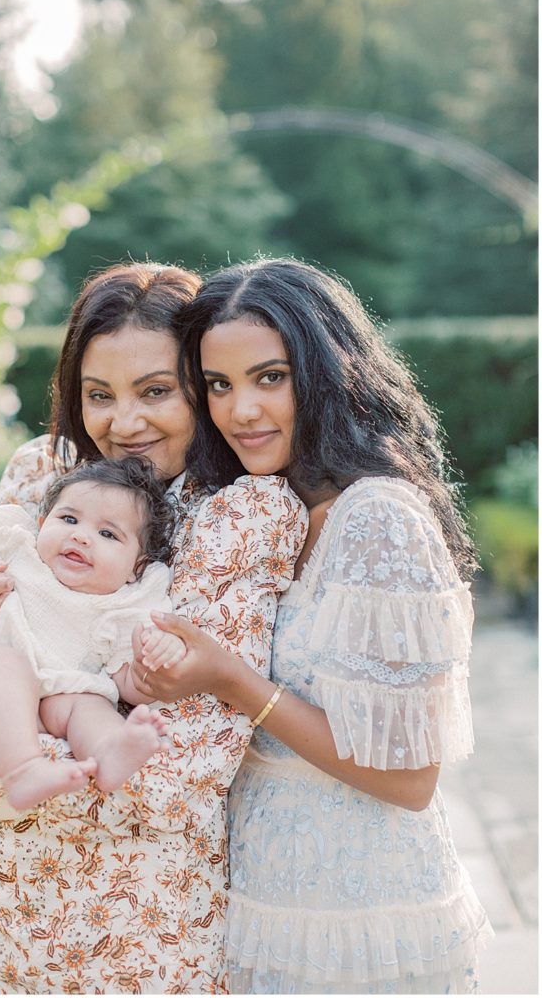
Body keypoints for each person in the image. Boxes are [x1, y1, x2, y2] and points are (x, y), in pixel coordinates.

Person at [0, 261, 308, 994]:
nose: (124, 422)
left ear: (199, 390)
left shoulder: (239, 521)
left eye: (155, 392)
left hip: (138, 929)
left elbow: (180, 780)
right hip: (0, 916)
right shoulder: (43, 479)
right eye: (98, 395)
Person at [131, 258, 494, 994]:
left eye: (271, 377)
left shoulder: (377, 518)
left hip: (362, 925)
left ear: (327, 374)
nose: (241, 411)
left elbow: (409, 779)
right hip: (256, 907)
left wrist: (231, 681)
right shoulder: (252, 509)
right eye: (219, 385)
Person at [0, 458, 187, 808]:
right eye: (69, 519)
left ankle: (108, 753)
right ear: (41, 524)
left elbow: (128, 684)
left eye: (107, 533)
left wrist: (153, 655)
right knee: (8, 663)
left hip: (33, 716)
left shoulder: (121, 609)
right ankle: (23, 771)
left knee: (89, 702)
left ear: (136, 567)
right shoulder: (19, 558)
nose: (80, 535)